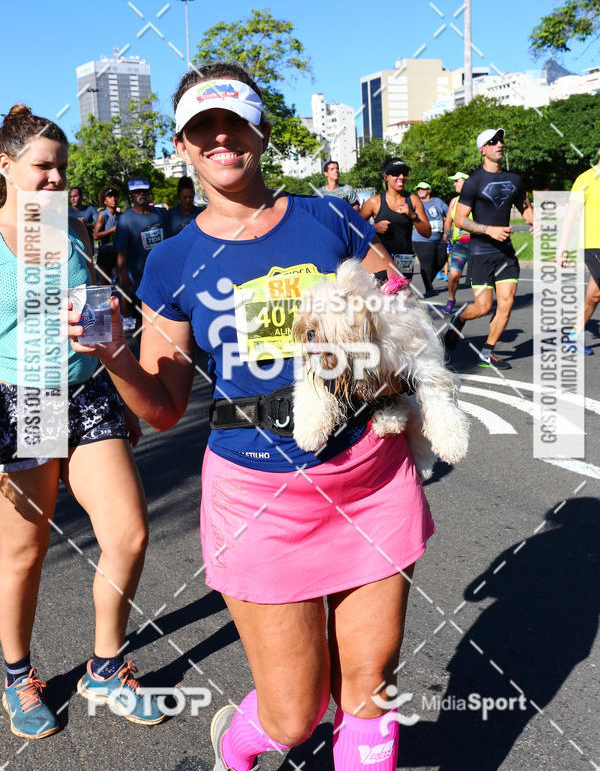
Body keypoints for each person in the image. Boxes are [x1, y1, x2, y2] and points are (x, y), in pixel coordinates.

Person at [68, 62, 435, 771]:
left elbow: (406, 317)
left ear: (261, 131)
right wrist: (114, 354)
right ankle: (235, 747)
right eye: (202, 128)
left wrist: (374, 324)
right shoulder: (173, 261)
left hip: (369, 475)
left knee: (369, 689)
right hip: (260, 495)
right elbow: (167, 407)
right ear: (181, 146)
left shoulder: (327, 216)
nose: (221, 138)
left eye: (234, 123)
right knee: (294, 716)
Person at [0, 105, 164, 740]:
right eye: (43, 167)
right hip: (22, 399)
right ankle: (18, 675)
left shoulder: (65, 232)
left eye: (61, 170)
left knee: (126, 533)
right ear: (6, 165)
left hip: (84, 392)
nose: (54, 180)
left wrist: (122, 390)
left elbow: (90, 309)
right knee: (25, 553)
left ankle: (105, 665)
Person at [444, 128, 534, 368]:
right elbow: (461, 219)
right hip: (481, 252)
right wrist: (489, 230)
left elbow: (524, 205)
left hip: (505, 252)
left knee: (507, 302)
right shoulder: (473, 183)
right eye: (493, 141)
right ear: (482, 149)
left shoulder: (514, 179)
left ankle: (487, 352)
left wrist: (534, 221)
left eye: (501, 140)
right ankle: (459, 317)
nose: (499, 144)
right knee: (483, 307)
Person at [557, 147, 600, 354]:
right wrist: (562, 247)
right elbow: (570, 216)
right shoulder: (586, 179)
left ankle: (572, 337)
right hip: (593, 245)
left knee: (594, 295)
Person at [360, 158, 431, 281]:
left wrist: (412, 215)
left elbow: (427, 233)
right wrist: (373, 228)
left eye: (404, 174)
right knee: (383, 296)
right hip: (381, 258)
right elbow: (354, 228)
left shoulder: (413, 200)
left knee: (403, 296)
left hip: (405, 259)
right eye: (396, 173)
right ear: (386, 176)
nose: (401, 177)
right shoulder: (374, 202)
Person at [113, 179, 168, 331]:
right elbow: (121, 252)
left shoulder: (159, 214)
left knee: (165, 317)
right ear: (131, 194)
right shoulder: (126, 218)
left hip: (163, 278)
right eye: (137, 192)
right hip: (139, 280)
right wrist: (123, 277)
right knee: (142, 320)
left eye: (144, 191)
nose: (141, 194)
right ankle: (142, 353)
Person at [412, 182, 448, 298]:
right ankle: (429, 288)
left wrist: (448, 231)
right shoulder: (416, 203)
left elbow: (449, 215)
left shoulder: (437, 201)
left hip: (440, 238)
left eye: (423, 189)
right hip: (421, 239)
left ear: (429, 190)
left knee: (441, 261)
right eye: (418, 189)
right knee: (426, 264)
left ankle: (429, 282)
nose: (420, 191)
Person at [442, 172, 471, 314]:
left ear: (466, 182)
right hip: (459, 244)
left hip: (477, 243)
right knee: (454, 275)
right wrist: (447, 234)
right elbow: (448, 220)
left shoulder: (477, 200)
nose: (454, 184)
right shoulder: (454, 201)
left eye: (456, 181)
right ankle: (451, 298)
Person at [93, 184, 119, 282]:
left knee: (125, 284)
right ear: (105, 201)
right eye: (110, 196)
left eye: (115, 196)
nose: (113, 199)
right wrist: (112, 230)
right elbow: (95, 235)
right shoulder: (103, 215)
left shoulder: (121, 215)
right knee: (105, 282)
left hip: (119, 250)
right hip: (105, 251)